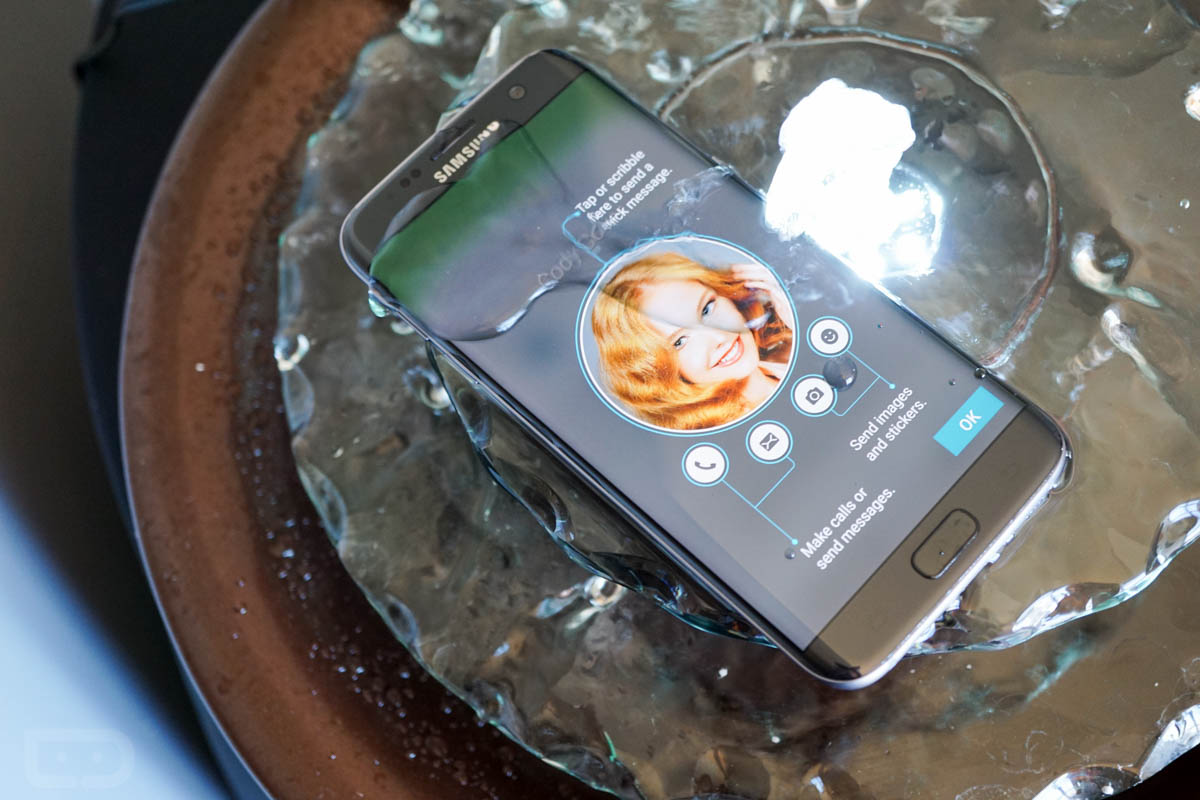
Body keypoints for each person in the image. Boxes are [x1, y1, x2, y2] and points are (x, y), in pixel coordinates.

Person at [592, 251, 794, 431]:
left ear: (725, 295)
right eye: (680, 341)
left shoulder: (785, 355)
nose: (719, 336)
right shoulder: (724, 440)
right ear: (658, 374)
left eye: (707, 309)